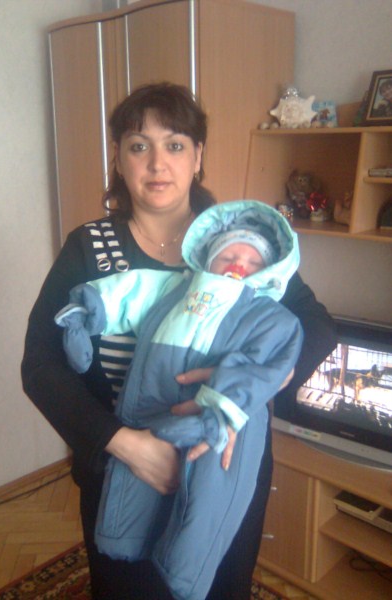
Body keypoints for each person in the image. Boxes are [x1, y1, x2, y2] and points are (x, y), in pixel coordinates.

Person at [21, 82, 337, 599]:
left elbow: (317, 328)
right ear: (118, 158)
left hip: (221, 473)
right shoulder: (89, 248)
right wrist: (126, 446)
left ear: (197, 157)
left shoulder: (239, 246)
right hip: (120, 471)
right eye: (138, 145)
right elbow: (40, 366)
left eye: (174, 144)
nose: (157, 164)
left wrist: (247, 384)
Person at [54, 199, 303, 600]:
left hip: (221, 421)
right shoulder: (175, 286)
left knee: (208, 497)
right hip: (151, 402)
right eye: (229, 256)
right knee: (131, 484)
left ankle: (186, 574)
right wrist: (85, 312)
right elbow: (129, 293)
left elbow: (271, 359)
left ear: (267, 273)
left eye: (253, 262)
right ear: (209, 258)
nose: (239, 265)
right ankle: (121, 538)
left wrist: (224, 404)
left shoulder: (267, 313)